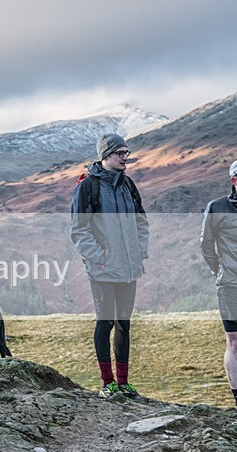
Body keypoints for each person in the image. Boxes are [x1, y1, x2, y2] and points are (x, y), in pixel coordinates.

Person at [70, 133, 149, 400]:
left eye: (127, 153)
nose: (126, 157)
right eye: (121, 153)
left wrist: (141, 251)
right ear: (106, 155)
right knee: (105, 323)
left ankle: (124, 383)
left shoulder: (128, 185)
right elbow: (79, 230)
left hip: (128, 269)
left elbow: (141, 222)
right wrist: (99, 257)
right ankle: (108, 383)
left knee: (123, 323)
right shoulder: (88, 186)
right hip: (103, 269)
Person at [200, 159, 237, 408]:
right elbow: (206, 245)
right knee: (234, 341)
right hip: (230, 285)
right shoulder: (216, 207)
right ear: (234, 180)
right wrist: (220, 271)